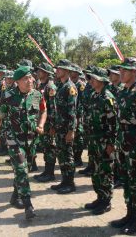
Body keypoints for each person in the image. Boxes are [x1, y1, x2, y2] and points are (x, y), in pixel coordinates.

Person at [0, 66, 47, 219]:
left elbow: (43, 110)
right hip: (14, 139)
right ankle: (28, 204)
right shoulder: (8, 96)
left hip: (31, 140)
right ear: (17, 82)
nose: (29, 81)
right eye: (25, 79)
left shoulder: (37, 94)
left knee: (24, 169)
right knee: (22, 169)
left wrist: (41, 124)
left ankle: (15, 196)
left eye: (30, 78)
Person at [110, 57, 136, 235]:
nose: (121, 73)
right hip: (123, 144)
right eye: (121, 70)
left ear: (134, 72)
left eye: (125, 70)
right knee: (126, 181)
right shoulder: (122, 91)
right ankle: (129, 214)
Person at [84, 67, 117, 215]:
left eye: (93, 78)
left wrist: (111, 143)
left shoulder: (107, 98)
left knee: (105, 171)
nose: (90, 81)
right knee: (96, 172)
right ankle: (99, 197)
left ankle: (106, 201)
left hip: (104, 142)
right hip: (94, 141)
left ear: (102, 81)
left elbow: (113, 124)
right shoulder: (94, 95)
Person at [49, 59, 78, 194]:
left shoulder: (70, 87)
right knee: (61, 155)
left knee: (68, 156)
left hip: (66, 129)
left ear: (67, 70)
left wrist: (71, 131)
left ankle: (70, 183)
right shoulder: (60, 86)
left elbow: (72, 111)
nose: (57, 70)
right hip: (60, 128)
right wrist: (54, 125)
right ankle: (64, 181)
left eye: (59, 68)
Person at [33, 63, 58, 183]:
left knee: (50, 147)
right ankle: (47, 171)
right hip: (42, 121)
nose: (38, 72)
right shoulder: (41, 85)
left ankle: (50, 173)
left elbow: (53, 108)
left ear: (47, 73)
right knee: (45, 147)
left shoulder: (50, 87)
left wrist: (53, 125)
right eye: (38, 70)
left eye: (40, 71)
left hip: (49, 123)